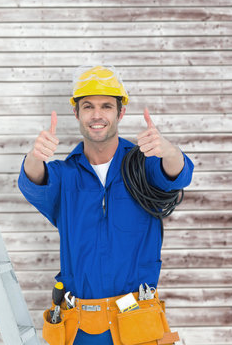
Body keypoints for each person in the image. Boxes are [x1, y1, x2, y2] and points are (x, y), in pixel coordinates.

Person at [17, 65, 194, 345]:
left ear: (120, 112)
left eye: (106, 106)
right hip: (81, 328)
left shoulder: (143, 168)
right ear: (76, 113)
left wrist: (168, 150)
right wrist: (33, 156)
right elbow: (33, 181)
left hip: (138, 321)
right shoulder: (64, 175)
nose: (97, 115)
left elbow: (178, 174)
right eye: (88, 106)